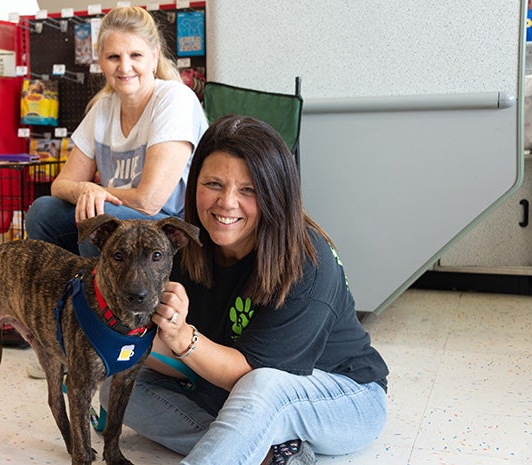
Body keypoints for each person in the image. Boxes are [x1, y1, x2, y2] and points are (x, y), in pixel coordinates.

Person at [99, 115, 389, 465]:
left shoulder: (308, 263)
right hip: (230, 386)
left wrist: (182, 336)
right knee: (120, 386)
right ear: (195, 185)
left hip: (342, 396)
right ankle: (271, 454)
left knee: (263, 386)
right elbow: (178, 353)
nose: (226, 203)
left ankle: (235, 447)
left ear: (275, 195)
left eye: (248, 190)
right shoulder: (184, 243)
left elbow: (248, 375)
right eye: (214, 184)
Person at [25, 6, 208, 256]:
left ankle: (97, 295)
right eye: (113, 57)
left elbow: (148, 201)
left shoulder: (175, 99)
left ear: (154, 57)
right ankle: (66, 290)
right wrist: (84, 190)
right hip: (122, 219)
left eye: (135, 55)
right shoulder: (103, 107)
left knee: (100, 218)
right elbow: (61, 185)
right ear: (100, 60)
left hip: (173, 231)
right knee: (43, 212)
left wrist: (97, 193)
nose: (124, 67)